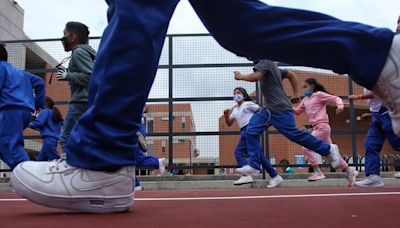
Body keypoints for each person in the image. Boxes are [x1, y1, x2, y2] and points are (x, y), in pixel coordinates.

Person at [10, 1, 400, 213]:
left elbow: (281, 75)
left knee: (139, 5)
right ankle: (382, 55)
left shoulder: (264, 68)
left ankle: (102, 159)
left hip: (281, 111)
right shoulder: (253, 80)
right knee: (239, 25)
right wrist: (236, 107)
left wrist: (298, 97)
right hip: (272, 113)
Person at [234, 60, 342, 186]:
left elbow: (256, 77)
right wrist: (296, 94)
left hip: (280, 108)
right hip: (268, 110)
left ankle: (328, 148)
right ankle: (254, 165)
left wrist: (240, 76)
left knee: (293, 134)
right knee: (251, 130)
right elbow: (291, 75)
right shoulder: (273, 66)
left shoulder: (264, 61)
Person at [293, 78, 359, 185]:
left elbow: (335, 98)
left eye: (305, 87)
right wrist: (286, 105)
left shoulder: (319, 95)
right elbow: (297, 112)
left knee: (306, 146)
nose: (304, 90)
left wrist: (340, 106)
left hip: (322, 127)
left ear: (312, 86)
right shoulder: (305, 100)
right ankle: (350, 171)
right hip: (317, 128)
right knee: (332, 154)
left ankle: (318, 172)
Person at [0, 44, 45, 170]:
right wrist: (38, 104)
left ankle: (27, 175)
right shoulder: (20, 72)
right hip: (25, 112)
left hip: (11, 110)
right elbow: (40, 83)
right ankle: (23, 172)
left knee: (9, 144)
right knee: (8, 143)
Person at [224, 87, 281, 186]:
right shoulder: (235, 109)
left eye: (238, 93)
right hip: (244, 130)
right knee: (260, 155)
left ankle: (246, 176)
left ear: (244, 95)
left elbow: (261, 111)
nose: (236, 95)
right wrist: (226, 116)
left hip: (250, 129)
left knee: (239, 152)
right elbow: (229, 123)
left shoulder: (247, 104)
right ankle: (275, 176)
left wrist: (256, 124)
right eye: (234, 93)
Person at [56, 21, 96, 155]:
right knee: (86, 139)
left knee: (66, 139)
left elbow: (90, 77)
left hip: (79, 103)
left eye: (64, 34)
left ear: (73, 37)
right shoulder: (88, 53)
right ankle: (87, 170)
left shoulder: (78, 52)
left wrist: (69, 75)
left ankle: (71, 170)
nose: (63, 38)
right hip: (88, 102)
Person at [349, 90, 400, 187]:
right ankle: (374, 177)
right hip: (377, 115)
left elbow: (378, 92)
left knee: (397, 141)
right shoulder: (363, 80)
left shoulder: (374, 76)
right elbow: (376, 102)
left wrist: (358, 97)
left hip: (388, 112)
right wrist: (371, 114)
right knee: (371, 144)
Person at [29, 97, 63, 161]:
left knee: (55, 158)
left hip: (48, 139)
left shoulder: (45, 111)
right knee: (41, 159)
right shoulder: (55, 113)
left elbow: (39, 123)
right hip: (54, 139)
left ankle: (65, 168)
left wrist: (27, 124)